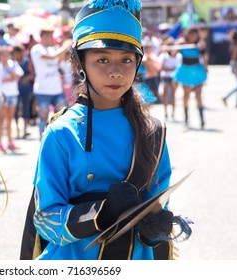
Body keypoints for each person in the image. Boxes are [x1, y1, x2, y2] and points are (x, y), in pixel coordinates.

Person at [20, 0, 192, 260]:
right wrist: (101, 213)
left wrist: (154, 230)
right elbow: (44, 220)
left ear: (138, 64)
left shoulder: (154, 131)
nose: (115, 72)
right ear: (79, 64)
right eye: (102, 59)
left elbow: (158, 203)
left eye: (126, 59)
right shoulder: (61, 132)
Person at [30, 26, 72, 138]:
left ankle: (56, 138)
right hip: (43, 90)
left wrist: (64, 48)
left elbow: (57, 62)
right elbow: (51, 57)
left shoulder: (52, 48)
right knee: (43, 116)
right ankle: (42, 139)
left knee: (61, 115)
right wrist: (64, 46)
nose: (52, 38)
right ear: (43, 36)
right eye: (49, 36)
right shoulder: (37, 49)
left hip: (56, 90)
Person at [0, 45, 24, 151]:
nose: (4, 56)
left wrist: (8, 71)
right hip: (2, 96)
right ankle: (0, 143)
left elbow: (17, 76)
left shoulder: (13, 64)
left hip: (12, 94)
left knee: (10, 119)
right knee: (1, 119)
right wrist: (10, 77)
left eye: (6, 54)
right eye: (2, 54)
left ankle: (10, 142)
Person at [172, 27, 208, 129]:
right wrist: (177, 46)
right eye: (191, 34)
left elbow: (205, 59)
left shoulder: (200, 44)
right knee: (186, 95)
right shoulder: (182, 43)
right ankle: (186, 119)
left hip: (197, 72)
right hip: (185, 72)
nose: (193, 37)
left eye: (195, 35)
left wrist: (203, 49)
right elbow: (173, 55)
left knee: (198, 96)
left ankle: (202, 120)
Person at [12, 44, 34, 139]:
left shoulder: (26, 61)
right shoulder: (12, 63)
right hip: (15, 89)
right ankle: (17, 131)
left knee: (26, 108)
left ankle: (25, 130)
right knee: (15, 110)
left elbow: (32, 74)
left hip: (25, 88)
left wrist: (25, 78)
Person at [159, 37, 181, 120]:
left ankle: (173, 113)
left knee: (173, 95)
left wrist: (169, 69)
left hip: (174, 78)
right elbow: (161, 68)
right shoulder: (164, 56)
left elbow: (178, 68)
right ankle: (166, 113)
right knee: (165, 95)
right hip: (165, 77)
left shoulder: (178, 56)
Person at [222, 29, 237, 108]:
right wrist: (236, 69)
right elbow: (234, 58)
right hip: (236, 65)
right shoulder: (236, 46)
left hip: (235, 65)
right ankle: (227, 97)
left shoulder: (233, 45)